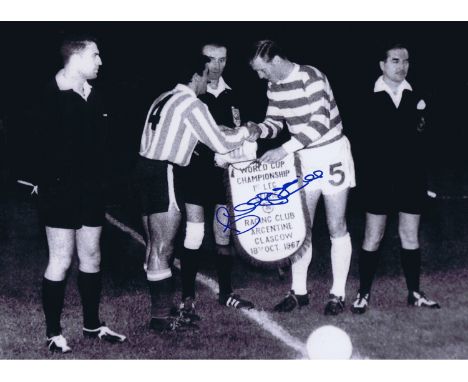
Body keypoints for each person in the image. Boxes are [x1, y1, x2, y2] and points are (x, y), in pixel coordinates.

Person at [134, 53, 257, 333]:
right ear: (195, 77)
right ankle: (162, 318)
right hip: (164, 171)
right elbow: (221, 144)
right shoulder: (193, 103)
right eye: (205, 75)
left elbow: (190, 133)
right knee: (163, 247)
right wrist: (247, 132)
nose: (209, 80)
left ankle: (161, 313)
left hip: (142, 170)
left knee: (154, 244)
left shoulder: (162, 98)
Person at [247, 40, 355, 315]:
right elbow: (275, 123)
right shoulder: (273, 86)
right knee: (300, 227)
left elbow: (319, 124)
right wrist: (257, 130)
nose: (260, 77)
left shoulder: (312, 76)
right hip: (304, 157)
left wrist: (283, 149)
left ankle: (338, 293)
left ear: (276, 60)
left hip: (331, 153)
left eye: (261, 69)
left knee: (336, 224)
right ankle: (298, 292)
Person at [37, 36, 126, 353]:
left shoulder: (95, 95)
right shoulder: (49, 95)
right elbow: (34, 148)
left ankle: (92, 325)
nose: (100, 61)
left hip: (91, 190)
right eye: (95, 55)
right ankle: (53, 333)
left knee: (92, 256)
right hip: (59, 191)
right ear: (75, 58)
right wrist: (39, 182)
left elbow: (103, 147)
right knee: (60, 259)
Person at [351, 43, 440, 314]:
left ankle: (414, 293)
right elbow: (360, 145)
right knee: (373, 236)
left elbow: (426, 143)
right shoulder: (366, 96)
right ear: (382, 65)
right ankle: (362, 294)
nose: (402, 66)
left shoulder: (417, 96)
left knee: (410, 236)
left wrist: (425, 183)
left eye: (406, 61)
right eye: (395, 60)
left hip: (411, 178)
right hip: (377, 179)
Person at [176, 42, 255, 318]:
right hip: (196, 175)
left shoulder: (235, 94)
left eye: (222, 60)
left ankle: (226, 293)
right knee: (194, 234)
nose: (216, 66)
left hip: (225, 177)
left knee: (224, 235)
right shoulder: (191, 95)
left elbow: (243, 130)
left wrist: (249, 132)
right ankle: (187, 298)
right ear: (201, 62)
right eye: (210, 60)